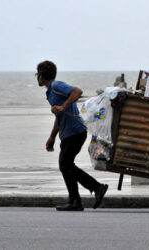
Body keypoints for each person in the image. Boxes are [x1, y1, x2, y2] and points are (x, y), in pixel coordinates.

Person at [36, 60, 108, 211]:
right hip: (68, 133)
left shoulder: (56, 86)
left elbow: (77, 92)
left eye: (38, 74)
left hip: (75, 131)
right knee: (66, 166)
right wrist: (52, 137)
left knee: (65, 165)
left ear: (42, 76)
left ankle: (95, 188)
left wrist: (63, 106)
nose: (37, 77)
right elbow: (60, 116)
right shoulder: (50, 92)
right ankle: (76, 200)